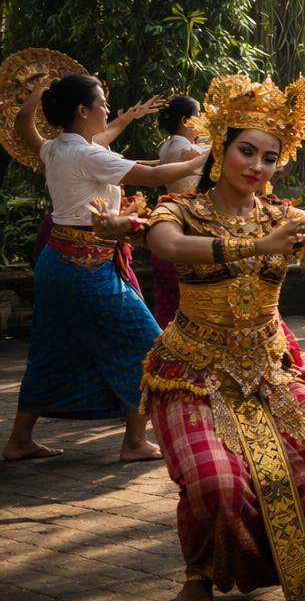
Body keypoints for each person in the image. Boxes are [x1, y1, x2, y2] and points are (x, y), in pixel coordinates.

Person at [125, 74, 305, 601]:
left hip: (269, 370)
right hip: (193, 372)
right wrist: (254, 246)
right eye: (246, 151)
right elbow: (166, 244)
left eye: (269, 158)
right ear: (220, 149)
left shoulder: (282, 213)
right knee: (216, 484)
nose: (257, 166)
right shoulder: (182, 208)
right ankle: (200, 573)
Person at [3, 75, 205, 462]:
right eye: (102, 103)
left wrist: (34, 96)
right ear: (82, 111)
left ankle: (20, 439)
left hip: (57, 261)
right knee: (151, 344)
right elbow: (158, 175)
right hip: (86, 267)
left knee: (51, 348)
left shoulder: (58, 148)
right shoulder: (85, 154)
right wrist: (213, 155)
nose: (107, 109)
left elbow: (22, 127)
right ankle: (133, 442)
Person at [152, 95, 210, 327]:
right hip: (190, 216)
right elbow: (214, 157)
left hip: (174, 211)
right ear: (186, 120)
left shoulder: (167, 145)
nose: (203, 120)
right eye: (199, 115)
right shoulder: (184, 148)